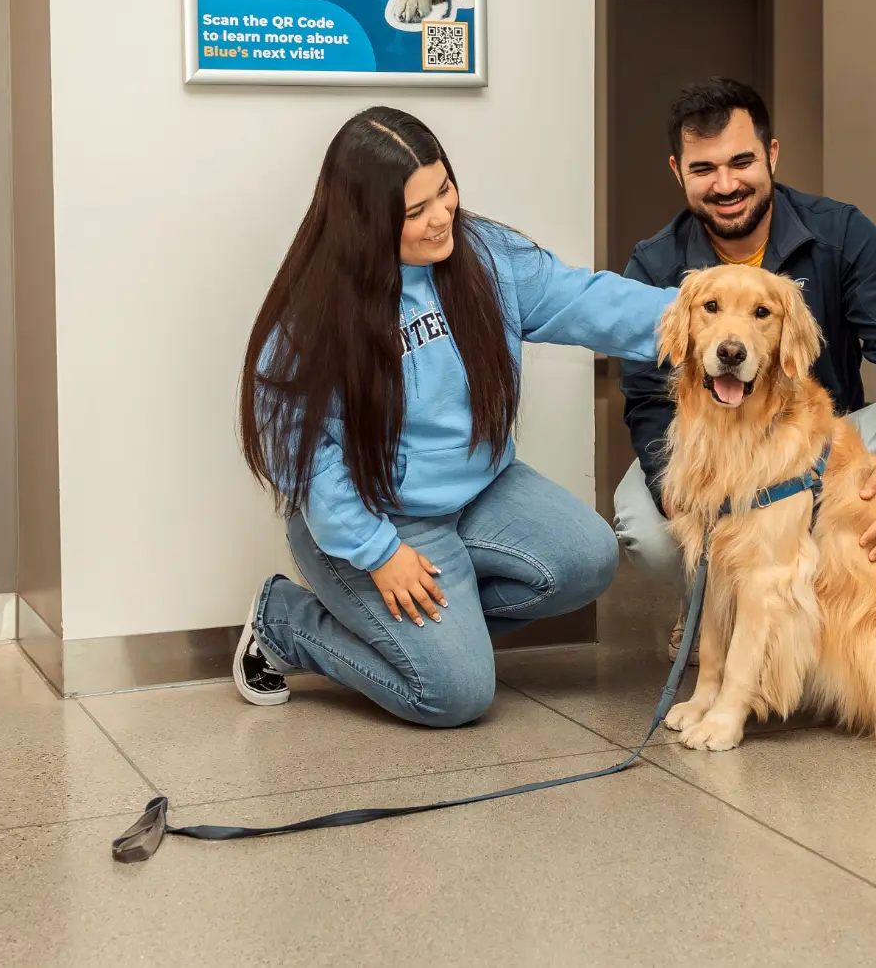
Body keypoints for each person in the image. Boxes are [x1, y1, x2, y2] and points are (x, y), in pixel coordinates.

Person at [232, 108, 673, 726]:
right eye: (414, 212)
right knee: (454, 696)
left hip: (479, 490)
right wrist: (380, 551)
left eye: (444, 190)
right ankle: (285, 622)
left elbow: (585, 297)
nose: (442, 216)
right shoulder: (312, 321)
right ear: (364, 221)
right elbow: (311, 466)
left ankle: (444, 639)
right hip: (375, 516)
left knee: (588, 557)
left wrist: (706, 315)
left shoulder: (487, 256)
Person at [614, 79, 876, 660]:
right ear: (678, 171)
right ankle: (716, 606)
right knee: (645, 530)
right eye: (704, 169)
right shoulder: (655, 263)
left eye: (741, 161)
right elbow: (647, 397)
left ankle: (850, 611)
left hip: (818, 443)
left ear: (771, 155)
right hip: (717, 448)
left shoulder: (842, 234)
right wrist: (675, 496)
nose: (726, 185)